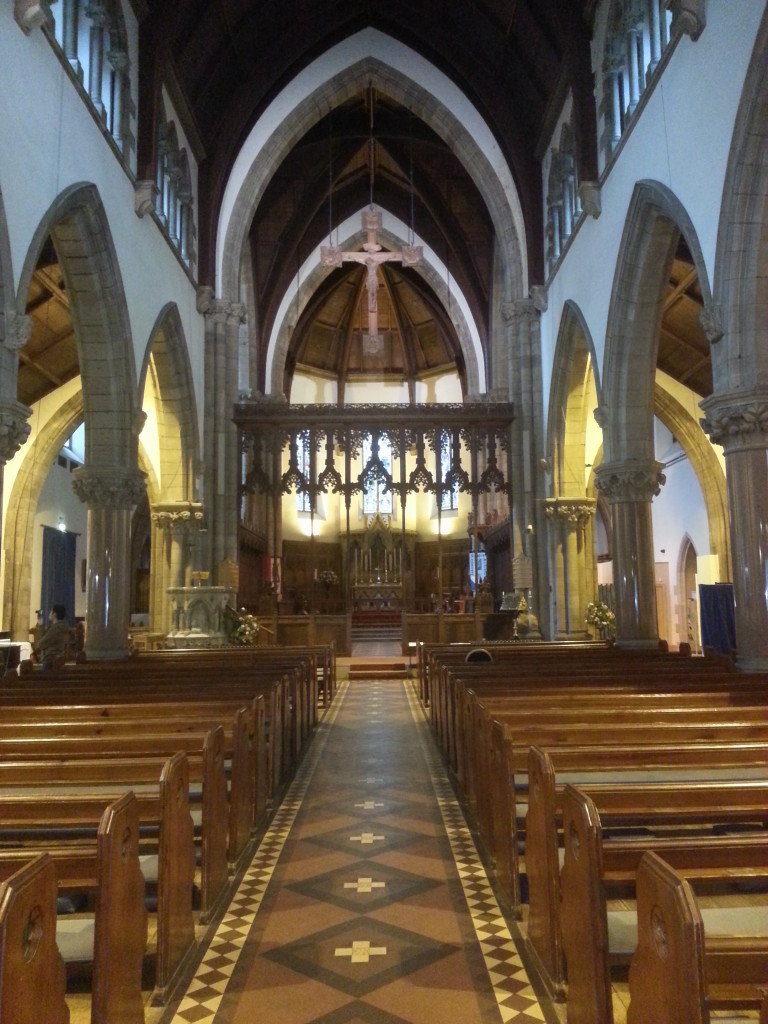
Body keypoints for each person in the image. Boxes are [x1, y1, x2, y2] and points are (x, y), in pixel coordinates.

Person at [37, 604, 69, 670]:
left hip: (50, 661)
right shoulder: (60, 626)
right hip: (55, 659)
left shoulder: (56, 628)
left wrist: (40, 627)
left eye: (51, 612)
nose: (49, 614)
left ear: (54, 614)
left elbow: (42, 644)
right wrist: (41, 626)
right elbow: (46, 639)